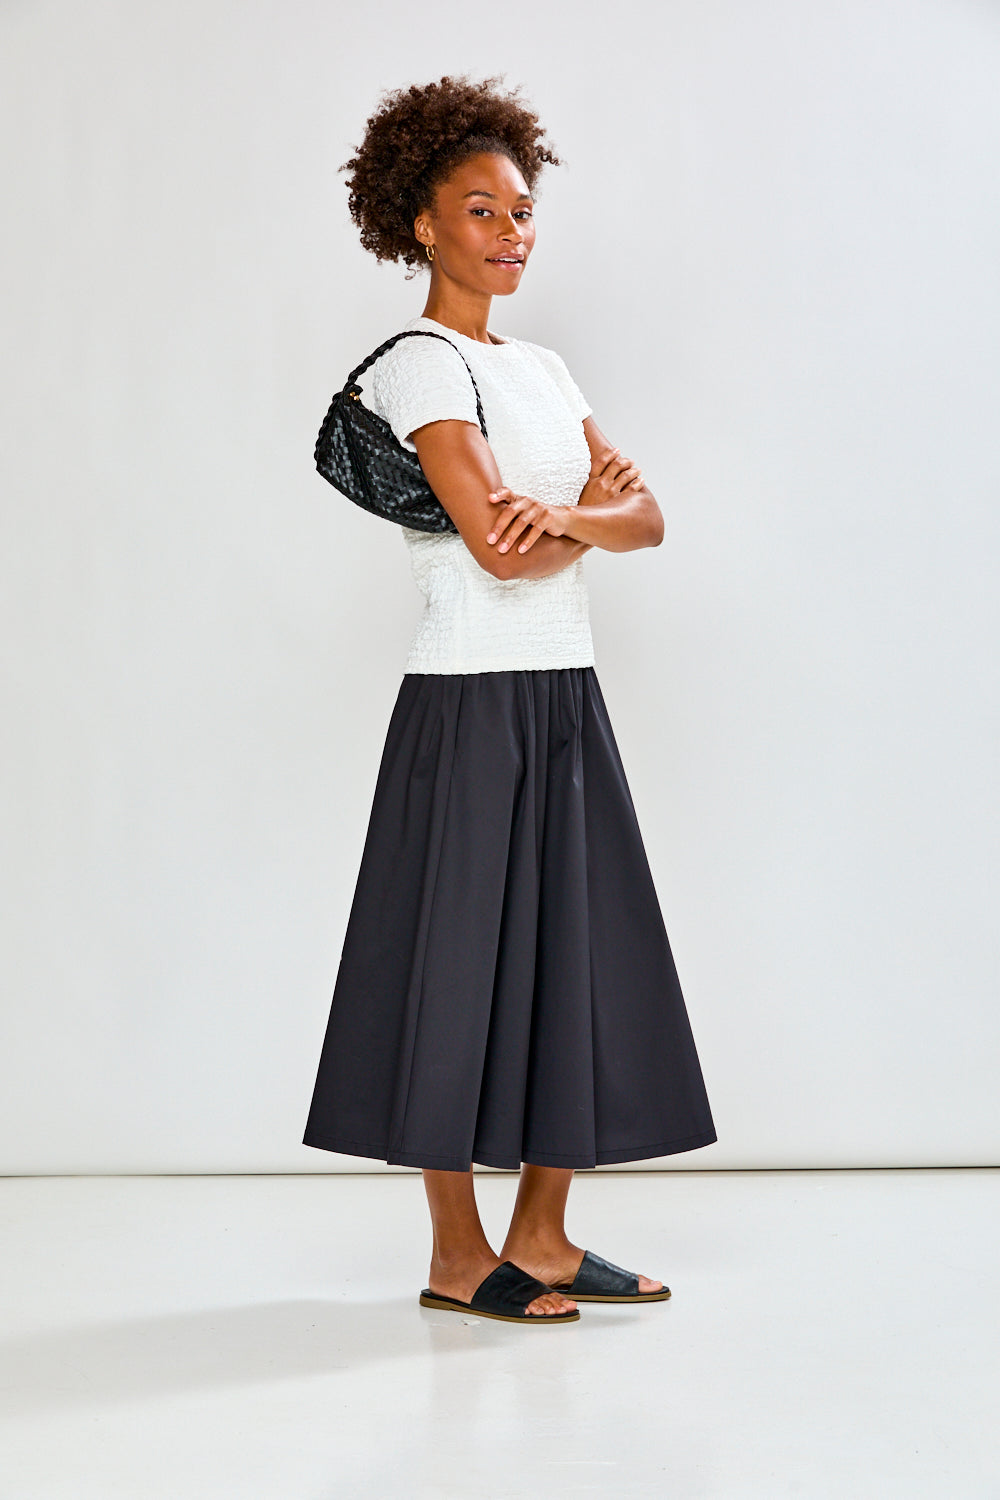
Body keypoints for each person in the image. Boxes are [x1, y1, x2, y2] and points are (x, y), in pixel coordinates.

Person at [303, 74, 717, 1326]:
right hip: (467, 702)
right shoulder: (424, 367)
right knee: (455, 962)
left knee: (575, 957)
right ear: (421, 225)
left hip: (561, 691)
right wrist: (576, 523)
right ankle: (451, 1254)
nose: (509, 230)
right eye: (478, 209)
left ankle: (539, 1236)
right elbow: (491, 545)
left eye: (521, 209)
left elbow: (643, 516)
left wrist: (576, 521)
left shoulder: (538, 365)